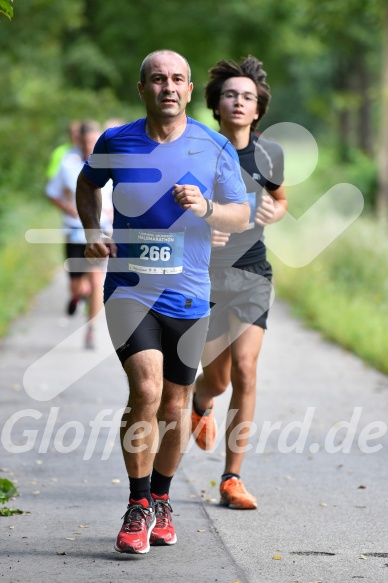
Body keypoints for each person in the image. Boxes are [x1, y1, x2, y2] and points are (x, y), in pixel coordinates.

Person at [75, 49, 250, 555]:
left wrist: (209, 207)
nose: (168, 87)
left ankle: (160, 497)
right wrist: (91, 229)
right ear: (142, 88)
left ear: (190, 91)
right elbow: (88, 182)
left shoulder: (214, 147)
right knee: (147, 390)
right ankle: (136, 505)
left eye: (177, 79)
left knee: (175, 403)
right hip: (129, 290)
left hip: (190, 294)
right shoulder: (117, 140)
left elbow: (239, 216)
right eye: (157, 79)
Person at [191, 56, 288, 509]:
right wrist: (200, 225)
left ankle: (232, 479)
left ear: (257, 110)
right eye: (230, 94)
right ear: (216, 103)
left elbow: (280, 198)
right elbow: (171, 206)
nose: (238, 101)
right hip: (205, 276)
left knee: (246, 372)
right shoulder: (195, 150)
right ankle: (199, 401)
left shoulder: (269, 153)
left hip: (251, 272)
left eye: (247, 96)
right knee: (219, 379)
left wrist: (275, 210)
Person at [46, 119, 113, 349]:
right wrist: (69, 208)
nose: (89, 147)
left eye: (93, 142)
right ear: (78, 141)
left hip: (101, 230)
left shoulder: (109, 162)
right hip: (75, 231)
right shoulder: (67, 163)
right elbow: (52, 192)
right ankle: (77, 294)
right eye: (85, 142)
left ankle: (91, 329)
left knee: (97, 280)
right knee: (78, 285)